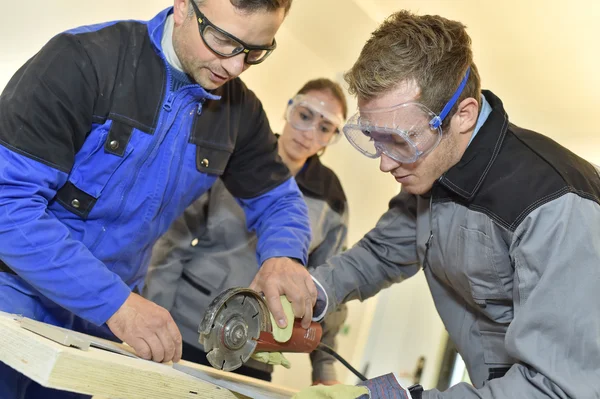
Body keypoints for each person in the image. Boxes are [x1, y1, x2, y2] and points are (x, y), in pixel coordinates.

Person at [259, 10, 600, 399]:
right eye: (375, 138)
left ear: (463, 116)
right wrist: (310, 291)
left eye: (400, 141)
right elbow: (382, 253)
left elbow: (559, 388)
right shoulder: (435, 167)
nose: (386, 163)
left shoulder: (557, 204)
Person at [0, 0, 320, 397]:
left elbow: (280, 202)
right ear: (183, 7)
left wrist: (284, 256)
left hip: (97, 329)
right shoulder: (82, 61)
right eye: (222, 39)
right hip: (14, 296)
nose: (235, 67)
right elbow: (7, 211)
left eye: (255, 52)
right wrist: (116, 303)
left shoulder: (240, 113)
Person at [144, 77, 350, 385]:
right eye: (305, 116)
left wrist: (324, 368)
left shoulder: (331, 199)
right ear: (289, 110)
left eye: (324, 128)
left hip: (259, 344)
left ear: (331, 137)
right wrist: (154, 311)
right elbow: (174, 239)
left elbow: (330, 289)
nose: (308, 133)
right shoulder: (238, 159)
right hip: (187, 328)